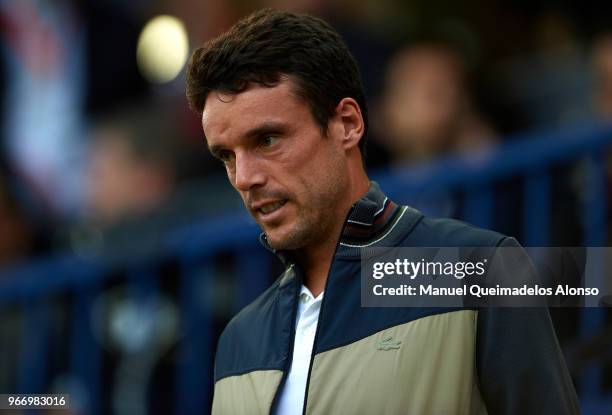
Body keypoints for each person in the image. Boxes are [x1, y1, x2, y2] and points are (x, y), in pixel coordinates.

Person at [186, 8, 580, 414]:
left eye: (267, 139)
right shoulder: (238, 340)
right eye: (227, 157)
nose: (244, 177)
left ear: (347, 123)